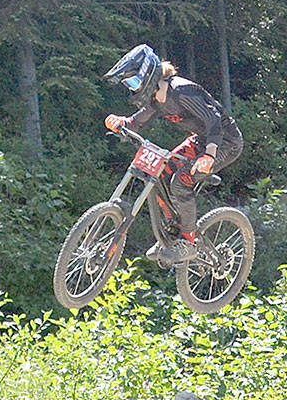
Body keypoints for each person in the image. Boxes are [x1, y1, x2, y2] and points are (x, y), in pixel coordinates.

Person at [103, 43, 244, 265]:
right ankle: (170, 233)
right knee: (161, 171)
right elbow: (139, 120)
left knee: (181, 180)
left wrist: (209, 155)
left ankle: (187, 241)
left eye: (133, 82)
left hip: (225, 142)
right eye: (128, 84)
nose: (132, 89)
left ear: (147, 75)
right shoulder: (157, 98)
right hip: (200, 141)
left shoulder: (181, 91)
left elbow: (213, 119)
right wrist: (123, 123)